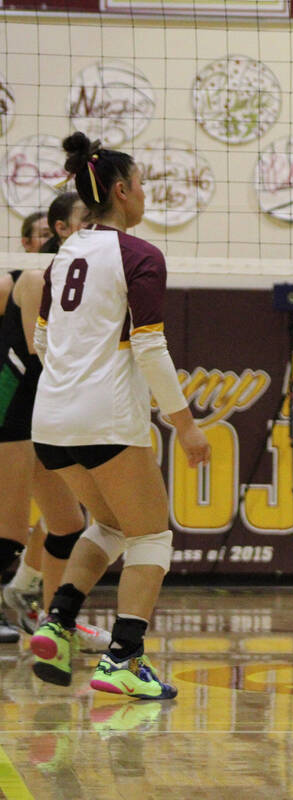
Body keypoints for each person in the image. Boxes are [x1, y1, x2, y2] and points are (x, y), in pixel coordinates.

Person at [28, 132, 210, 699]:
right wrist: (185, 424)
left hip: (51, 420)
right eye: (142, 185)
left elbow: (41, 341)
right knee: (153, 537)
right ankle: (124, 661)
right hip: (104, 418)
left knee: (107, 526)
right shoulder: (140, 255)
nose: (145, 194)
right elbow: (151, 348)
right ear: (122, 189)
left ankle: (57, 627)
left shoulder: (64, 256)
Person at [1, 192, 110, 653]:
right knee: (8, 532)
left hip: (44, 414)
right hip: (13, 411)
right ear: (63, 228)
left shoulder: (85, 274)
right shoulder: (34, 276)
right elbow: (42, 355)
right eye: (88, 220)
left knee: (67, 522)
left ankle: (54, 623)